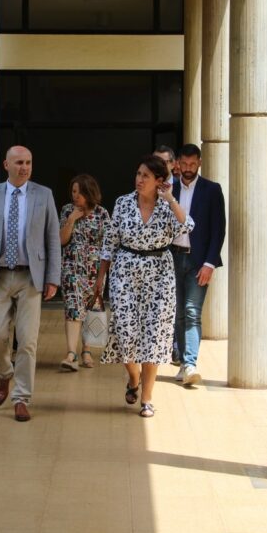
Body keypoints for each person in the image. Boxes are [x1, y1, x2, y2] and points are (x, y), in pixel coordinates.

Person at [92, 155, 193, 418]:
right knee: (126, 337)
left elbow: (186, 225)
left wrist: (170, 198)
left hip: (160, 275)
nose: (139, 179)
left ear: (160, 181)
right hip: (125, 273)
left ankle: (147, 399)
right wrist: (100, 278)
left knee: (154, 338)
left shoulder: (167, 207)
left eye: (146, 176)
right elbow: (110, 242)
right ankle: (133, 379)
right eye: (138, 174)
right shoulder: (123, 203)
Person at [0, 145, 61, 422]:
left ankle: (21, 398)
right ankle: (5, 374)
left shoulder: (44, 195)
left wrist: (53, 277)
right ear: (6, 165)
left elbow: (53, 239)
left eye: (29, 162)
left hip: (30, 276)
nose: (25, 167)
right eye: (19, 162)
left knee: (28, 341)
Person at [171, 143, 226, 386]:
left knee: (192, 312)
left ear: (199, 163)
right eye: (184, 164)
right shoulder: (169, 189)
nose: (188, 168)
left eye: (193, 164)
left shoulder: (212, 190)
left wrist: (210, 264)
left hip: (198, 261)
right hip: (172, 258)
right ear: (178, 164)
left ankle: (191, 363)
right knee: (178, 314)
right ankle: (183, 363)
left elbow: (218, 229)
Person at [58, 174, 110, 372]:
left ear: (89, 193)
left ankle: (86, 350)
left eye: (79, 192)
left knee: (89, 309)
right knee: (72, 308)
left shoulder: (102, 213)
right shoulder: (67, 210)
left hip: (94, 269)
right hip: (71, 266)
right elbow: (61, 240)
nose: (76, 196)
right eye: (73, 192)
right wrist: (71, 220)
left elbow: (108, 244)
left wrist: (102, 274)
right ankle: (71, 354)